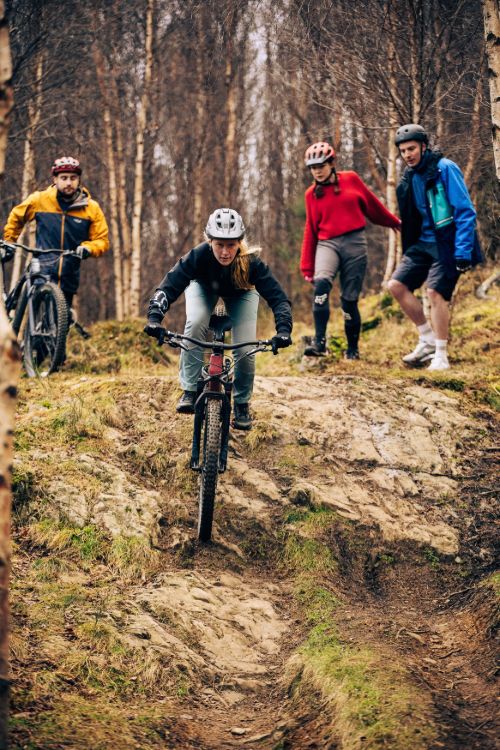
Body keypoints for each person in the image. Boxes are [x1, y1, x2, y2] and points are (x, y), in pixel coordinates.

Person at [144, 208, 293, 430]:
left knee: (245, 350)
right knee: (195, 324)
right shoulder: (198, 256)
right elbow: (169, 286)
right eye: (219, 245)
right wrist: (155, 318)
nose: (225, 252)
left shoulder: (251, 263)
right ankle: (190, 389)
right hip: (203, 288)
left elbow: (279, 298)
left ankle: (241, 403)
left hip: (242, 292)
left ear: (239, 243)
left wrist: (283, 330)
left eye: (231, 245)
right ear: (210, 241)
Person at [387, 124, 482, 371]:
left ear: (423, 147)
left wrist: (462, 251)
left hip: (447, 242)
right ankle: (427, 339)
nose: (407, 154)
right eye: (403, 151)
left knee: (434, 293)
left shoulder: (444, 169)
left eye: (411, 148)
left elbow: (465, 212)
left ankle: (441, 355)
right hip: (422, 243)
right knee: (396, 286)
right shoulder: (408, 178)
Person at [300, 141, 401, 358]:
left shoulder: (351, 180)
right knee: (321, 286)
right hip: (328, 243)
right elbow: (311, 228)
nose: (317, 171)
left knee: (349, 300)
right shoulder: (311, 194)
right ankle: (319, 343)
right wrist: (307, 266)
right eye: (313, 167)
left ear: (332, 163)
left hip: (355, 242)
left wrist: (394, 222)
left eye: (321, 165)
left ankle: (353, 349)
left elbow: (373, 205)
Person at [3, 156, 109, 311]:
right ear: (55, 179)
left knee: (61, 322)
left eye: (73, 178)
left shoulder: (91, 208)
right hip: (42, 266)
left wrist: (88, 248)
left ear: (79, 180)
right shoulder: (40, 199)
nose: (68, 183)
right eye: (63, 178)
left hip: (69, 270)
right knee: (35, 315)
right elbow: (16, 217)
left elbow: (102, 240)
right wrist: (9, 241)